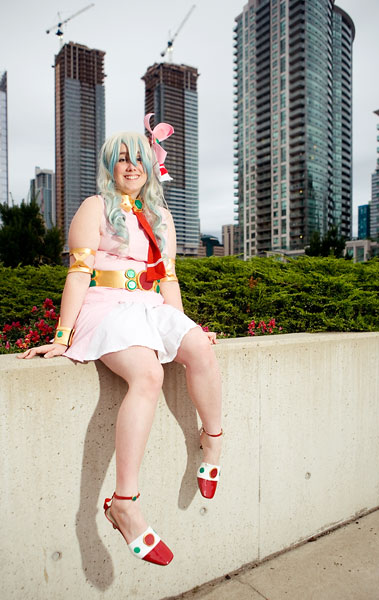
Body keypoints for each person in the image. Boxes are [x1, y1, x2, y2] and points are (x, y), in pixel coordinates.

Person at [19, 115, 222, 566]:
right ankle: (124, 504)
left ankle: (212, 441)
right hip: (106, 307)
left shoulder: (161, 216)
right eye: (122, 159)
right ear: (110, 166)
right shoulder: (94, 207)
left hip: (149, 305)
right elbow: (78, 274)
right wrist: (61, 337)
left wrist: (184, 325)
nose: (131, 166)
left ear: (151, 166)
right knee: (147, 375)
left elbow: (167, 280)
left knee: (200, 348)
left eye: (139, 159)